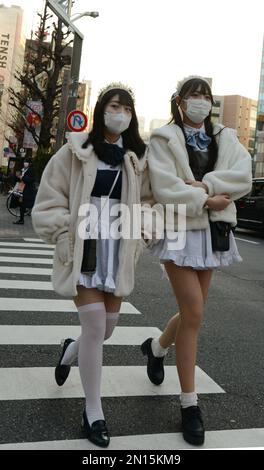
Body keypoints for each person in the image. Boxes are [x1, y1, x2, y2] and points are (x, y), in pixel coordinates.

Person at [32, 83, 147, 448]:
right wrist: (66, 235)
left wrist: (140, 237)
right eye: (114, 106)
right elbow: (49, 200)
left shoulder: (135, 158)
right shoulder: (75, 150)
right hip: (84, 244)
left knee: (106, 329)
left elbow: (148, 204)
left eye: (126, 109)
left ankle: (69, 349)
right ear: (101, 111)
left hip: (116, 247)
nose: (120, 114)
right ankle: (93, 411)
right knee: (96, 325)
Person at [140, 76, 252, 446]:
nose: (200, 101)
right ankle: (190, 404)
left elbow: (243, 177)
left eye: (205, 95)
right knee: (195, 314)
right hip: (177, 228)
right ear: (179, 101)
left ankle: (156, 349)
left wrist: (206, 187)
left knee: (194, 311)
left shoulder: (226, 137)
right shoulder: (163, 138)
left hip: (213, 232)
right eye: (193, 95)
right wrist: (205, 199)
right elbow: (164, 184)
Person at [13, 157, 36, 224]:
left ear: (30, 163)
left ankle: (22, 220)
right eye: (24, 162)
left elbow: (31, 180)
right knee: (22, 204)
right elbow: (20, 179)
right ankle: (21, 219)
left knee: (24, 204)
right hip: (22, 189)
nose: (25, 163)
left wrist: (22, 177)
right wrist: (17, 176)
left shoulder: (31, 170)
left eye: (27, 162)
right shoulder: (23, 170)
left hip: (27, 190)